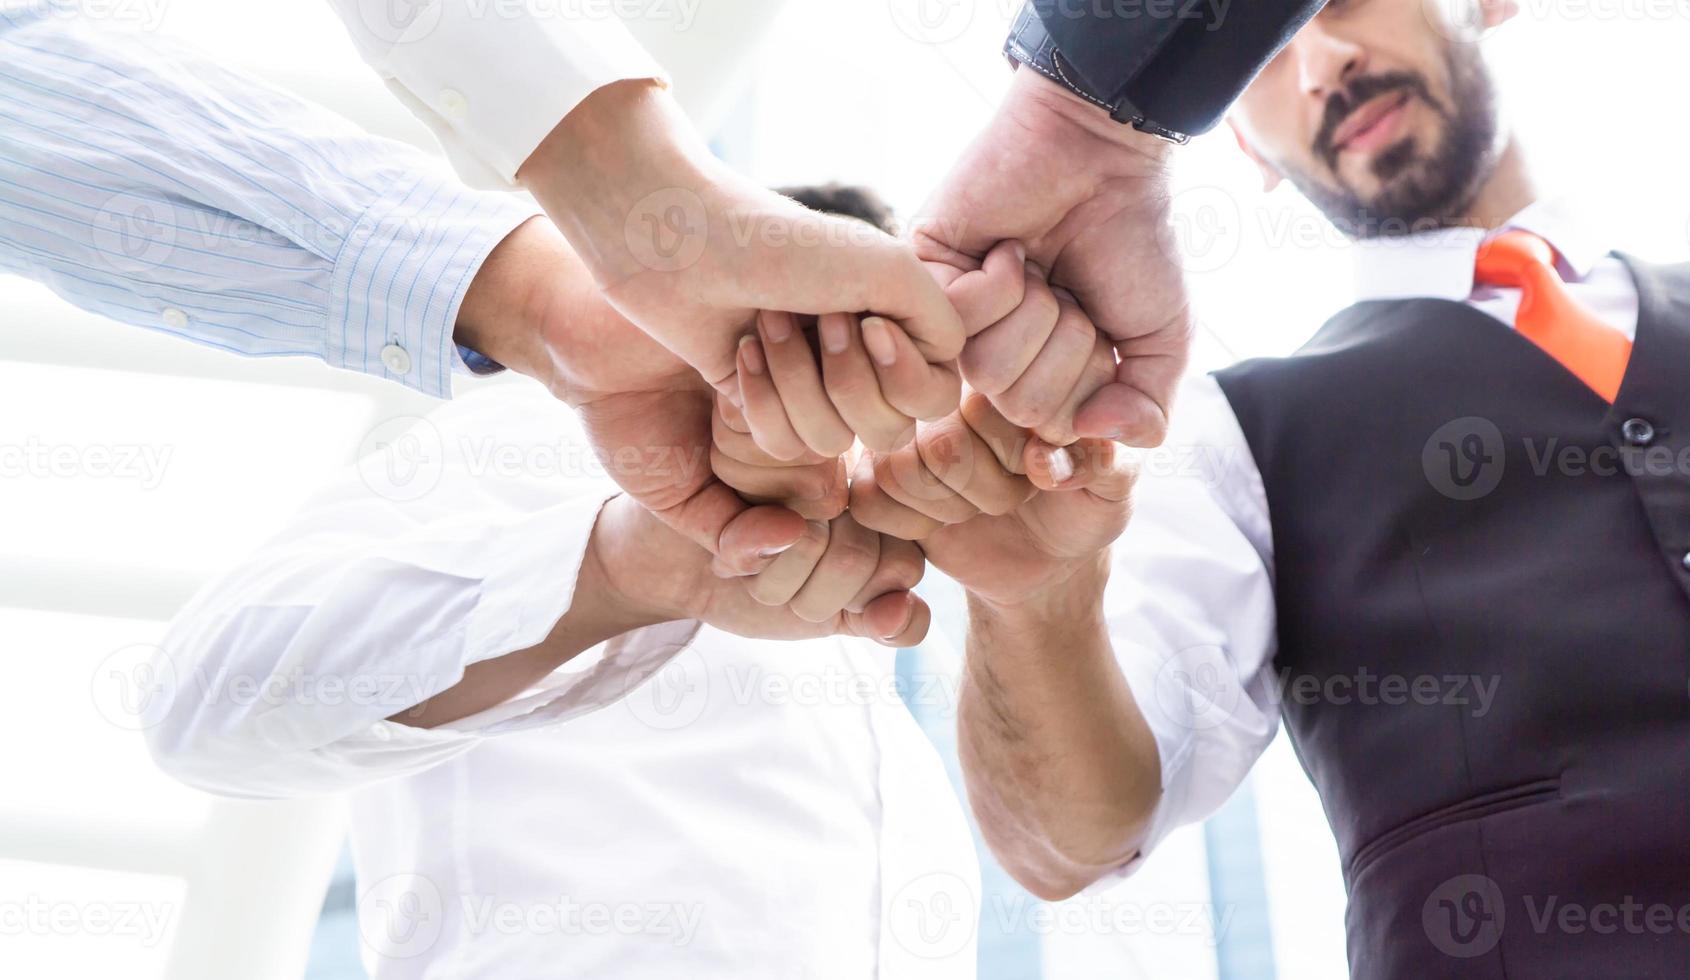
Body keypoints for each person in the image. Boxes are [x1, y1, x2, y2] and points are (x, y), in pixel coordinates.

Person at [844, 0, 1690, 976]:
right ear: (1238, 142)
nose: (1320, 64)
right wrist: (1035, 603)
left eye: (1338, 3)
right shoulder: (1229, 436)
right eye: (1265, 54)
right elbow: (1062, 838)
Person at [139, 186, 1038, 980]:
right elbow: (204, 704)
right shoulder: (528, 431)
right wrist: (620, 568)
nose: (860, 389)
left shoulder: (881, 616)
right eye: (837, 335)